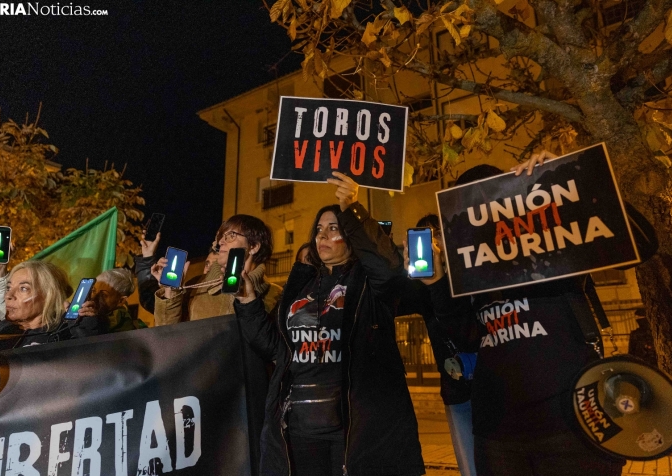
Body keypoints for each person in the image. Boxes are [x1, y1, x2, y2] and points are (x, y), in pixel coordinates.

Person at [420, 151, 629, 476]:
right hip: (500, 432)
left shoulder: (551, 244)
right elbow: (468, 338)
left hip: (569, 421)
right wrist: (437, 284)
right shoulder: (468, 272)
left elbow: (624, 238)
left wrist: (560, 182)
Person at [233, 172, 424, 476]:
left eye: (334, 228)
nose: (322, 235)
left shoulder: (368, 284)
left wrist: (352, 208)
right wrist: (247, 302)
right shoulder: (303, 287)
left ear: (350, 235)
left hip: (352, 432)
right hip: (298, 431)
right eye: (319, 229)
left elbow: (387, 270)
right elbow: (274, 347)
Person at [412, 214, 479, 476]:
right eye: (425, 237)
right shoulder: (421, 287)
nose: (433, 243)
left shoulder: (471, 273)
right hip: (457, 392)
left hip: (494, 387)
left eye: (437, 234)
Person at [152, 214, 282, 325]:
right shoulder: (194, 287)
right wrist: (171, 292)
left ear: (253, 246)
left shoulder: (276, 295)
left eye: (231, 235)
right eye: (221, 236)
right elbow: (166, 335)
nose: (221, 242)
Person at [0, 260, 97, 354]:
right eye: (9, 288)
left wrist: (88, 325)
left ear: (49, 296)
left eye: (23, 288)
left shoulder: (70, 332)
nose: (8, 295)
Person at [91, 268, 147, 333]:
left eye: (103, 295)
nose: (93, 298)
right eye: (93, 291)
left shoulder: (116, 326)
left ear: (121, 301)